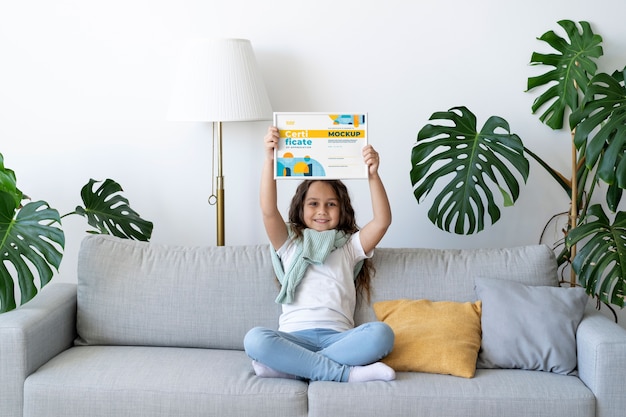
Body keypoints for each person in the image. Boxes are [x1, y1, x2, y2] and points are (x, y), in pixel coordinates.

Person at [243, 126, 395, 383]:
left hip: (338, 337)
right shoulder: (290, 243)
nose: (322, 210)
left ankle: (291, 368)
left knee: (382, 334)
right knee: (255, 339)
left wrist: (372, 175)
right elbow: (268, 210)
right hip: (293, 337)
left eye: (331, 204)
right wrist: (270, 159)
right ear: (300, 208)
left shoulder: (348, 247)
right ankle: (345, 374)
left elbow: (382, 221)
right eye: (313, 203)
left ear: (341, 208)